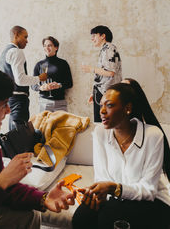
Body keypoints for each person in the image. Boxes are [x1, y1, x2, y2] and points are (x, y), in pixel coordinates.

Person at [0, 65, 76, 229]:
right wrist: (3, 179)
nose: (8, 110)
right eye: (4, 104)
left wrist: (43, 198)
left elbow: (0, 185)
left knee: (29, 213)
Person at [72, 83, 170, 229]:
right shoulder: (100, 133)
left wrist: (114, 188)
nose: (102, 111)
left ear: (128, 108)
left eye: (109, 105)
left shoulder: (153, 135)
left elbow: (148, 190)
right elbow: (101, 177)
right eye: (101, 106)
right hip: (117, 199)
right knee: (81, 218)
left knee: (109, 218)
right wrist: (96, 193)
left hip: (152, 202)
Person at [0, 26, 47, 130]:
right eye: (25, 37)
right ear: (16, 35)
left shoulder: (4, 52)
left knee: (14, 132)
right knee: (20, 135)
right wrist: (39, 78)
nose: (27, 41)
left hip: (10, 99)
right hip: (18, 99)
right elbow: (20, 80)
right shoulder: (16, 52)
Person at [81, 25, 122, 122]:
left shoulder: (108, 48)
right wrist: (95, 91)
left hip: (107, 93)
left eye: (94, 35)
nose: (92, 39)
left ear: (103, 36)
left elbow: (110, 72)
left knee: (103, 125)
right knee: (103, 124)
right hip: (103, 92)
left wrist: (91, 69)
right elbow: (106, 73)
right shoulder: (106, 49)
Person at [32, 36, 73, 112]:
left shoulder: (63, 63)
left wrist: (59, 85)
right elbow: (32, 85)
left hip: (60, 103)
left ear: (56, 47)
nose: (47, 48)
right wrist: (41, 88)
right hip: (44, 103)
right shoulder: (39, 65)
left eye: (49, 45)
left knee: (63, 124)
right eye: (45, 46)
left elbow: (69, 83)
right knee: (45, 124)